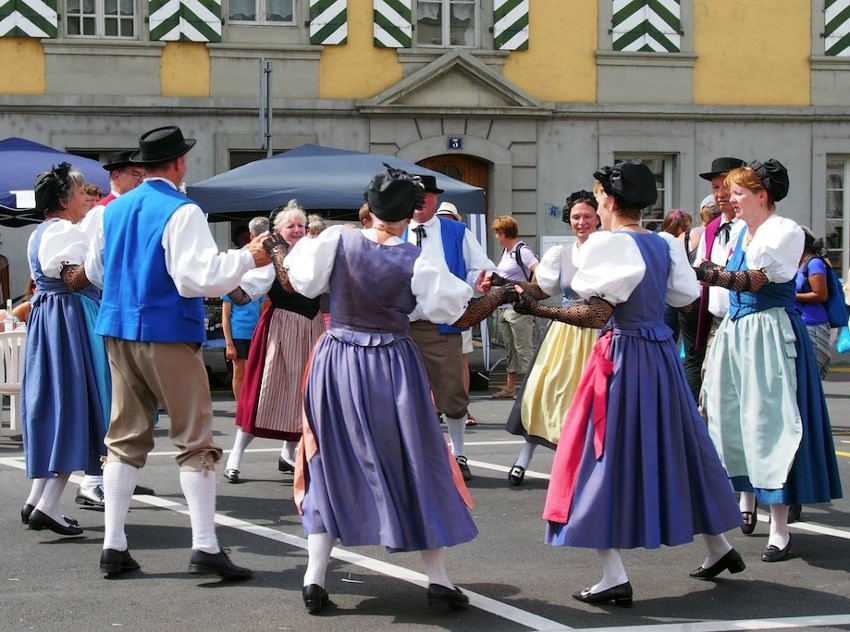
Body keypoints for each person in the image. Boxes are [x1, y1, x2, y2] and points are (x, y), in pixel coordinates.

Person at [280, 166, 515, 613]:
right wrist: (493, 296)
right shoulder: (417, 260)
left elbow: (302, 282)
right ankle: (439, 581)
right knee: (417, 460)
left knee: (329, 463)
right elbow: (455, 311)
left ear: (368, 208)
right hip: (391, 364)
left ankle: (313, 579)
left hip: (336, 362)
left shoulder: (334, 239)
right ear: (410, 214)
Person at [514, 160, 744, 606]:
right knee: (676, 448)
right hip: (659, 355)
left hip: (622, 357)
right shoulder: (664, 244)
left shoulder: (608, 244)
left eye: (598, 197)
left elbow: (595, 315)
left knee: (597, 458)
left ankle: (614, 575)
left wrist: (533, 309)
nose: (595, 203)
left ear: (612, 201)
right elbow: (684, 297)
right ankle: (719, 546)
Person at [84, 125, 268, 578]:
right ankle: (204, 545)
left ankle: (114, 545)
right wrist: (248, 257)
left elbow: (95, 271)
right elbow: (197, 278)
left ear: (143, 166)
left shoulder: (110, 211)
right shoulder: (182, 210)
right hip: (165, 330)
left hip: (119, 329)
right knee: (194, 439)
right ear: (180, 164)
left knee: (123, 440)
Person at [698, 160, 842, 561]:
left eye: (738, 193)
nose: (729, 199)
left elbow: (755, 280)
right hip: (737, 332)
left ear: (762, 195)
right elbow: (727, 292)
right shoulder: (738, 232)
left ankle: (779, 526)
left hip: (769, 333)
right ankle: (746, 501)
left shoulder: (784, 231)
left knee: (771, 423)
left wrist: (707, 272)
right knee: (734, 418)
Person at [20, 162, 107, 537]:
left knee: (58, 404)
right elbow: (73, 280)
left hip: (51, 318)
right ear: (62, 199)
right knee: (76, 407)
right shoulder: (66, 234)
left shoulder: (42, 232)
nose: (85, 198)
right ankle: (49, 505)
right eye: (79, 192)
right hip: (70, 320)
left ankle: (37, 499)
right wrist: (103, 256)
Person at [224, 201, 326, 484]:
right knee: (264, 393)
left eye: (301, 225)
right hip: (281, 329)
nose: (297, 230)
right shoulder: (269, 260)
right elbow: (244, 296)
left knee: (303, 396)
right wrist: (223, 279)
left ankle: (287, 454)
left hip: (312, 328)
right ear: (278, 231)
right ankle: (235, 457)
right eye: (290, 225)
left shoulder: (315, 255)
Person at [503, 190, 600, 485]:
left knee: (590, 401)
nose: (581, 222)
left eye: (586, 216)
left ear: (598, 218)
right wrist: (506, 285)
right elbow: (542, 289)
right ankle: (524, 456)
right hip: (566, 330)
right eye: (575, 217)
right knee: (543, 391)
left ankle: (583, 465)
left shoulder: (609, 251)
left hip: (599, 330)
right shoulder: (562, 253)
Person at [406, 174, 496, 481]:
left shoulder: (456, 231)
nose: (421, 200)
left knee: (452, 395)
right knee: (402, 395)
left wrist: (480, 284)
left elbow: (479, 270)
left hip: (440, 326)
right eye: (414, 195)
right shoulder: (394, 228)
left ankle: (458, 453)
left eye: (426, 195)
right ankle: (411, 456)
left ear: (435, 199)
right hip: (399, 327)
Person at [76, 149, 152, 509]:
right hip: (110, 311)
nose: (140, 179)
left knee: (134, 399)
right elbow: (91, 268)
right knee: (111, 396)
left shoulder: (136, 207)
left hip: (130, 312)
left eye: (142, 174)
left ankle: (122, 474)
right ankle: (94, 479)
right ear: (116, 177)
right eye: (133, 174)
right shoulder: (104, 211)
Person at [693, 158, 747, 372]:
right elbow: (700, 267)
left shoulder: (751, 226)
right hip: (716, 322)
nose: (720, 194)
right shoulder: (712, 228)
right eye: (715, 187)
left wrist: (712, 271)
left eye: (726, 186)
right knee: (711, 389)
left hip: (745, 321)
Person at [435, 201, 476, 426]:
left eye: (448, 217)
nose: (444, 221)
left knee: (460, 359)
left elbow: (476, 269)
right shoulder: (427, 237)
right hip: (431, 311)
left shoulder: (461, 238)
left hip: (458, 308)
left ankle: (463, 408)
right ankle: (436, 406)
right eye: (441, 216)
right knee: (431, 362)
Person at [221, 216, 269, 405]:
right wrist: (229, 343)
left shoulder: (259, 283)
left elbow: (262, 308)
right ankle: (242, 404)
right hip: (239, 333)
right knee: (239, 370)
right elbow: (225, 316)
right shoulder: (232, 284)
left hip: (254, 332)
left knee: (253, 370)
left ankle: (250, 402)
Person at [491, 215, 539, 400]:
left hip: (517, 309)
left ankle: (532, 390)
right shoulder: (507, 251)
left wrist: (527, 293)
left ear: (503, 233)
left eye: (497, 233)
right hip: (505, 308)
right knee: (511, 350)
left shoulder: (522, 251)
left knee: (524, 350)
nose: (496, 236)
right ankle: (510, 388)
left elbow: (538, 269)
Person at [795, 227, 833, 380]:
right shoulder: (798, 263)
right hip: (800, 323)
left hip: (813, 326)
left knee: (811, 377)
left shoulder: (814, 263)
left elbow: (821, 294)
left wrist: (793, 296)